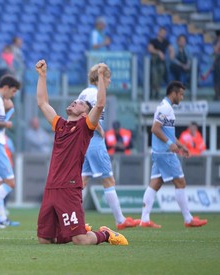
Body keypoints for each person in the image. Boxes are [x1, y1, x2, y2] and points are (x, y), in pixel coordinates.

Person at [35, 60, 127, 246]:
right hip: (51, 187)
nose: (74, 102)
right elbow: (42, 102)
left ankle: (105, 234)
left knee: (81, 240)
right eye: (75, 101)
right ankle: (74, 230)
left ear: (85, 114)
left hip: (69, 188)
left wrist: (100, 76)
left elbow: (100, 104)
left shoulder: (85, 127)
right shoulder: (60, 125)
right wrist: (42, 76)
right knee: (45, 240)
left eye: (79, 104)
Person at [78, 66, 139, 230]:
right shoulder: (93, 94)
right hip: (94, 141)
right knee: (108, 179)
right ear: (99, 78)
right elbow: (84, 115)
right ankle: (120, 220)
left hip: (84, 142)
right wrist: (99, 128)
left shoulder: (85, 92)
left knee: (82, 182)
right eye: (107, 77)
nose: (110, 80)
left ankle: (73, 220)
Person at [140, 81, 207, 228]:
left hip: (160, 152)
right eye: (181, 94)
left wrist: (180, 144)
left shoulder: (167, 107)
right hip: (165, 153)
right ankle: (188, 219)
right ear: (174, 93)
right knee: (180, 182)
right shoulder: (165, 108)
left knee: (155, 184)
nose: (182, 97)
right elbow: (155, 129)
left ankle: (144, 219)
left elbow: (165, 132)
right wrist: (169, 144)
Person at [0, 75, 21, 227]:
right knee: (10, 182)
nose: (13, 95)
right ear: (6, 87)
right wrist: (5, 124)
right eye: (13, 91)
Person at [148, 27, 173, 99]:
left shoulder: (166, 42)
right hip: (154, 62)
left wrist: (171, 55)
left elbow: (171, 49)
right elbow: (150, 49)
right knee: (154, 76)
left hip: (162, 63)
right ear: (158, 32)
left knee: (160, 78)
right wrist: (158, 52)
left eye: (164, 33)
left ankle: (157, 92)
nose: (163, 34)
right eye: (162, 33)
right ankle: (152, 92)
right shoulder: (153, 41)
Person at [201, 30, 220, 100]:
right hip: (217, 63)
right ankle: (217, 95)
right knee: (217, 80)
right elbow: (214, 51)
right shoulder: (215, 42)